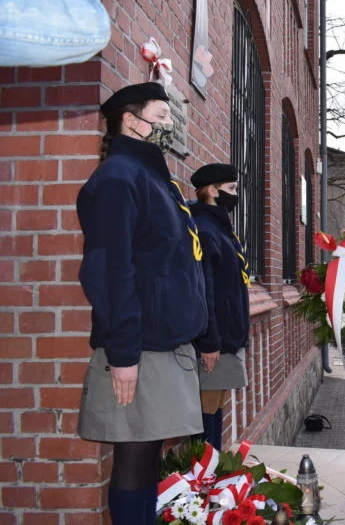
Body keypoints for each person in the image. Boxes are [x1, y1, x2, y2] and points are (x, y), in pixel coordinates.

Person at [76, 82, 208, 525]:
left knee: (149, 456)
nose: (170, 124)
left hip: (163, 345)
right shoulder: (118, 177)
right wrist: (125, 353)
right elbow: (111, 271)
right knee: (134, 460)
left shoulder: (154, 177)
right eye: (161, 114)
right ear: (131, 120)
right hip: (140, 348)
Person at [189, 163, 251, 450]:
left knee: (214, 411)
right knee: (206, 418)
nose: (235, 196)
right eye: (231, 189)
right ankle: (203, 480)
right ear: (212, 191)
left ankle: (210, 475)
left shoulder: (220, 228)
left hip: (226, 338)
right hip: (215, 342)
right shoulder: (205, 229)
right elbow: (206, 290)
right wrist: (210, 340)